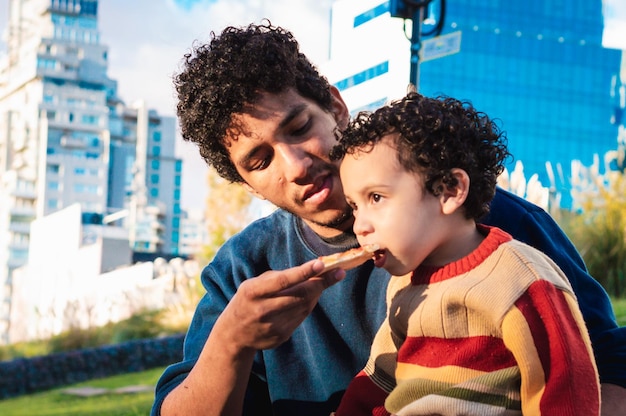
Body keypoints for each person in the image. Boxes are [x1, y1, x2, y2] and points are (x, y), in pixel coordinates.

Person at [152, 22, 626, 416]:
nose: (295, 166)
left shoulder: (477, 218)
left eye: (299, 128)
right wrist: (231, 343)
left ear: (336, 108)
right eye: (260, 160)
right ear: (245, 183)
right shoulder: (244, 269)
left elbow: (607, 366)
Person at [329, 92, 600, 415]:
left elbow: (564, 388)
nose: (359, 225)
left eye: (376, 197)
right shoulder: (405, 286)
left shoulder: (520, 280)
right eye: (355, 206)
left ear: (450, 190)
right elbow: (380, 376)